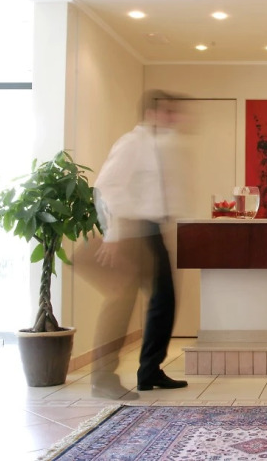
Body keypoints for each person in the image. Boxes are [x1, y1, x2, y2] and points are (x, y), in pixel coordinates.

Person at [91, 89, 189, 398]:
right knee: (122, 304)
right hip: (132, 231)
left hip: (151, 230)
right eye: (168, 111)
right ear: (151, 113)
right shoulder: (132, 143)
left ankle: (149, 370)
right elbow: (106, 187)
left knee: (164, 300)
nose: (174, 117)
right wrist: (113, 234)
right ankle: (102, 378)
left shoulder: (158, 146)